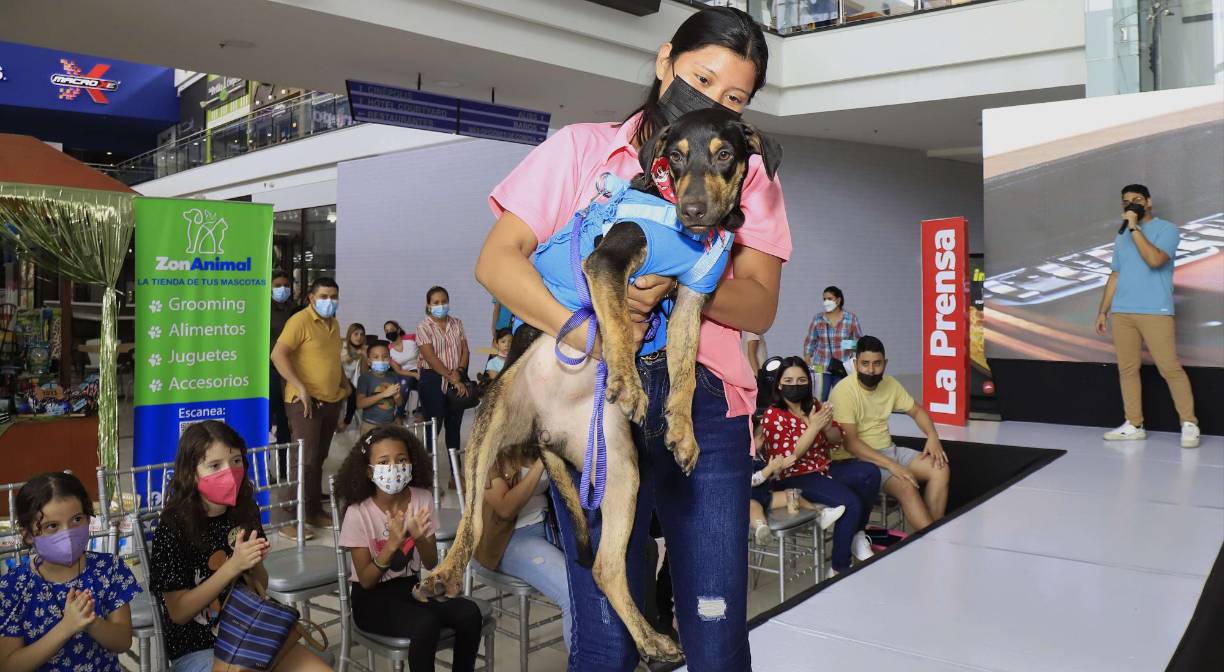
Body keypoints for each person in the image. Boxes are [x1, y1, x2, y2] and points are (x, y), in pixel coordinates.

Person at [478, 8, 788, 669]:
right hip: (595, 402)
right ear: (664, 61)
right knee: (607, 635)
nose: (711, 101)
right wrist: (593, 328)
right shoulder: (581, 150)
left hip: (703, 406)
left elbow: (759, 305)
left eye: (733, 97)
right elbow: (498, 262)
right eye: (700, 78)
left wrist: (675, 275)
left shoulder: (750, 173)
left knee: (715, 628)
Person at [149, 421, 331, 672]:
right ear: (192, 473)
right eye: (214, 465)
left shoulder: (245, 510)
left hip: (252, 634)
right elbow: (178, 612)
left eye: (235, 461)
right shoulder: (173, 527)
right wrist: (232, 567)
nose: (229, 471)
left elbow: (260, 585)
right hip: (198, 648)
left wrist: (253, 564)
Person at [336, 425, 483, 672]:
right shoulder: (358, 512)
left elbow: (429, 563)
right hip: (370, 600)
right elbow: (367, 580)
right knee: (426, 624)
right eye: (384, 462)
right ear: (369, 472)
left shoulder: (421, 499)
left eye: (401, 460)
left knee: (469, 612)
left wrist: (418, 537)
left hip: (410, 589)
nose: (394, 467)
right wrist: (393, 544)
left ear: (411, 464)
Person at [0, 472, 140, 672]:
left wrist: (92, 623)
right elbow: (8, 666)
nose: (67, 534)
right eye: (52, 526)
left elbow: (123, 642)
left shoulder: (109, 569)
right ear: (28, 535)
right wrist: (67, 626)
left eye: (76, 519)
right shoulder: (13, 587)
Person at [1095, 184, 1199, 448]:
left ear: (1149, 202)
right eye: (1126, 202)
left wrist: (1134, 228)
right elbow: (1115, 274)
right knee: (1127, 369)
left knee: (1169, 368)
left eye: (1137, 200)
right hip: (1123, 312)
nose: (1131, 205)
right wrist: (1103, 310)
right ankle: (1134, 424)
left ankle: (1189, 423)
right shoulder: (1120, 238)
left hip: (1155, 310)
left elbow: (1155, 261)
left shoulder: (1167, 229)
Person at [761, 357, 879, 574]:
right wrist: (813, 428)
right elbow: (788, 457)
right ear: (779, 384)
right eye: (788, 380)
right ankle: (838, 568)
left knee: (869, 473)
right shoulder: (773, 415)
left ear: (809, 382)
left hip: (824, 468)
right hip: (794, 478)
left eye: (801, 380)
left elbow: (836, 439)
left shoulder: (813, 405)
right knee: (850, 502)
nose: (795, 385)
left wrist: (825, 426)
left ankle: (856, 535)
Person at [829, 336, 950, 531]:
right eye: (865, 364)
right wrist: (893, 466)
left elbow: (917, 411)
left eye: (877, 364)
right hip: (859, 460)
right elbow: (851, 443)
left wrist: (933, 436)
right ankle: (935, 540)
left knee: (940, 468)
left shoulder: (890, 384)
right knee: (905, 485)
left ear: (885, 364)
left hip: (889, 450)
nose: (871, 370)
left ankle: (933, 533)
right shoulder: (843, 391)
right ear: (855, 363)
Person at [474, 444, 574, 650]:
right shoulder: (489, 449)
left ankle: (619, 653)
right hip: (510, 539)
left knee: (625, 561)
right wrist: (541, 463)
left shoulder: (539, 434)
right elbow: (505, 508)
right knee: (572, 592)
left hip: (553, 528)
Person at [271, 277, 349, 536]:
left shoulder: (333, 323)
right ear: (311, 298)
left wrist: (344, 385)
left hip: (330, 399)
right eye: (324, 296)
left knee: (318, 458)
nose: (330, 301)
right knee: (303, 460)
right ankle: (286, 519)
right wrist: (300, 387)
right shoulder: (300, 321)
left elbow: (330, 359)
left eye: (334, 296)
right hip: (305, 401)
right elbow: (278, 354)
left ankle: (313, 510)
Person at [415, 286, 470, 456]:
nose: (441, 305)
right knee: (434, 425)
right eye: (436, 302)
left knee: (454, 426)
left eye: (444, 301)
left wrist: (459, 372)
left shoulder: (457, 323)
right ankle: (426, 471)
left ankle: (455, 476)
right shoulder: (423, 327)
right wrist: (451, 377)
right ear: (428, 305)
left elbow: (465, 351)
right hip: (432, 379)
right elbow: (430, 358)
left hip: (457, 376)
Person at [803, 286, 862, 400]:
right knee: (819, 398)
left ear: (838, 300)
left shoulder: (850, 319)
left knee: (840, 399)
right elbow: (811, 339)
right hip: (820, 366)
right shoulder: (818, 319)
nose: (826, 302)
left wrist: (844, 344)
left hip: (842, 366)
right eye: (824, 299)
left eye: (829, 299)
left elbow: (859, 342)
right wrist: (807, 356)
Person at [269, 270, 300, 444]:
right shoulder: (263, 310)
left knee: (286, 419)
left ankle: (284, 468)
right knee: (266, 418)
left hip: (292, 370)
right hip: (271, 370)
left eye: (286, 286)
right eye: (278, 286)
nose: (282, 289)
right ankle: (265, 467)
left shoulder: (295, 309)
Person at [357, 341, 402, 434]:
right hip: (370, 425)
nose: (381, 360)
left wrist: (397, 397)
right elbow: (360, 403)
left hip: (390, 424)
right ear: (369, 361)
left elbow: (400, 403)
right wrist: (383, 394)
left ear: (390, 359)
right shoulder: (365, 378)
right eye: (376, 357)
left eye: (385, 356)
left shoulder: (393, 377)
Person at [385, 321, 420, 420]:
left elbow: (426, 350)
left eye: (391, 330)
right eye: (386, 331)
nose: (389, 332)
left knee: (424, 383)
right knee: (404, 382)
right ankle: (399, 415)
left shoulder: (412, 338)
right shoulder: (389, 350)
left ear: (398, 330)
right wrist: (414, 375)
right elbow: (398, 370)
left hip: (421, 369)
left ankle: (422, 412)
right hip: (405, 374)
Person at [339, 323, 368, 432]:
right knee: (351, 391)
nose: (359, 337)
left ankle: (347, 421)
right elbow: (342, 360)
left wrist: (365, 358)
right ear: (350, 334)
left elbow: (364, 372)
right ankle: (346, 421)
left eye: (362, 334)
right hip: (337, 377)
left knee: (357, 391)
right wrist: (356, 354)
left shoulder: (363, 350)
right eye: (356, 334)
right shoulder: (342, 345)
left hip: (351, 380)